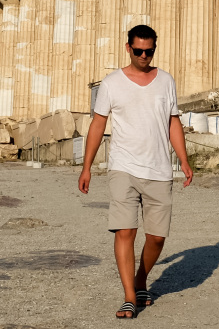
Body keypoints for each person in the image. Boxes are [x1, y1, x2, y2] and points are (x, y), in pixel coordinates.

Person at [78, 24, 193, 320]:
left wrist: (184, 160)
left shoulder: (166, 81)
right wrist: (86, 167)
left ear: (154, 49)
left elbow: (173, 122)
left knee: (157, 237)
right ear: (128, 48)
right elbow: (98, 125)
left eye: (149, 51)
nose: (144, 55)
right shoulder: (111, 83)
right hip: (123, 166)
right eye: (139, 50)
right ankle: (130, 297)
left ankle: (142, 278)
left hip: (158, 167)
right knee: (125, 230)